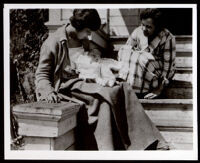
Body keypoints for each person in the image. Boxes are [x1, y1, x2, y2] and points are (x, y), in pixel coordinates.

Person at [35, 9, 169, 150]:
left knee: (123, 87)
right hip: (68, 86)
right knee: (105, 95)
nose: (89, 36)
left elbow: (91, 54)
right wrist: (48, 91)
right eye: (87, 31)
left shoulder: (82, 39)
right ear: (77, 26)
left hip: (86, 80)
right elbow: (42, 74)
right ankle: (108, 149)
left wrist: (94, 56)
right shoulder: (53, 42)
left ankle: (149, 140)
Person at [118, 8, 176, 99]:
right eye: (143, 25)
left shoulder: (167, 37)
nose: (144, 29)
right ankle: (129, 88)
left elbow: (167, 69)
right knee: (125, 50)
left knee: (142, 57)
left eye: (149, 27)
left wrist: (159, 89)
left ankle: (141, 92)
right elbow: (126, 50)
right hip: (140, 72)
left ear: (157, 27)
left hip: (158, 75)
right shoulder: (138, 31)